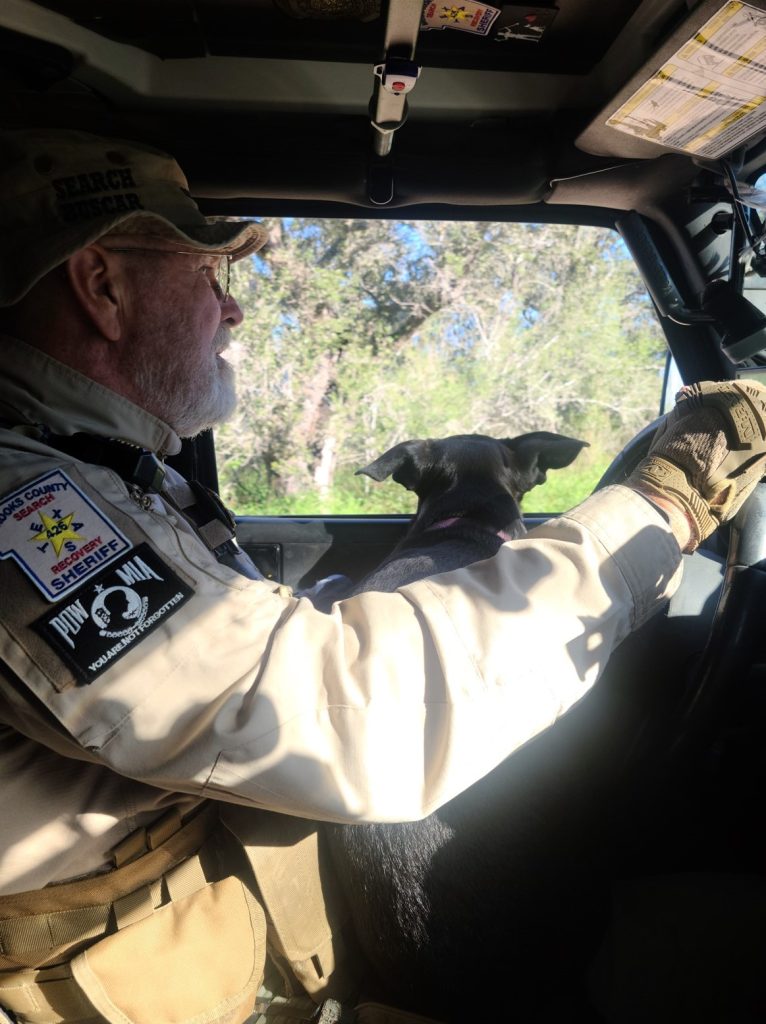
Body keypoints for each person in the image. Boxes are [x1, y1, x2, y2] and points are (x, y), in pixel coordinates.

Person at [0, 127, 764, 1024]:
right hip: (170, 955)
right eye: (209, 277)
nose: (234, 310)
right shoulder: (26, 505)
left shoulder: (104, 468)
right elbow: (333, 712)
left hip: (237, 870)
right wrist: (665, 505)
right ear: (102, 287)